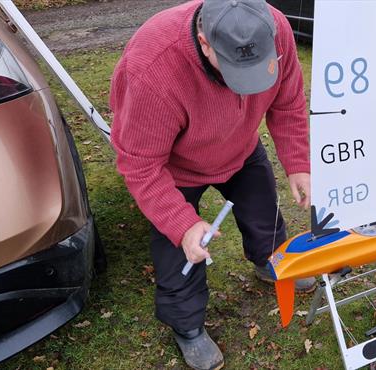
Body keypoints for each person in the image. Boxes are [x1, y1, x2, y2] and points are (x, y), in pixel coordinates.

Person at [109, 0, 315, 368]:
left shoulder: (275, 28)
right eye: (238, 69)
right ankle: (186, 326)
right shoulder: (152, 68)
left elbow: (288, 103)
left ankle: (269, 260)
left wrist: (299, 164)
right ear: (205, 42)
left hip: (241, 146)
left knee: (264, 215)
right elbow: (139, 164)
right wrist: (181, 223)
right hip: (175, 168)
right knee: (182, 254)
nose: (248, 81)